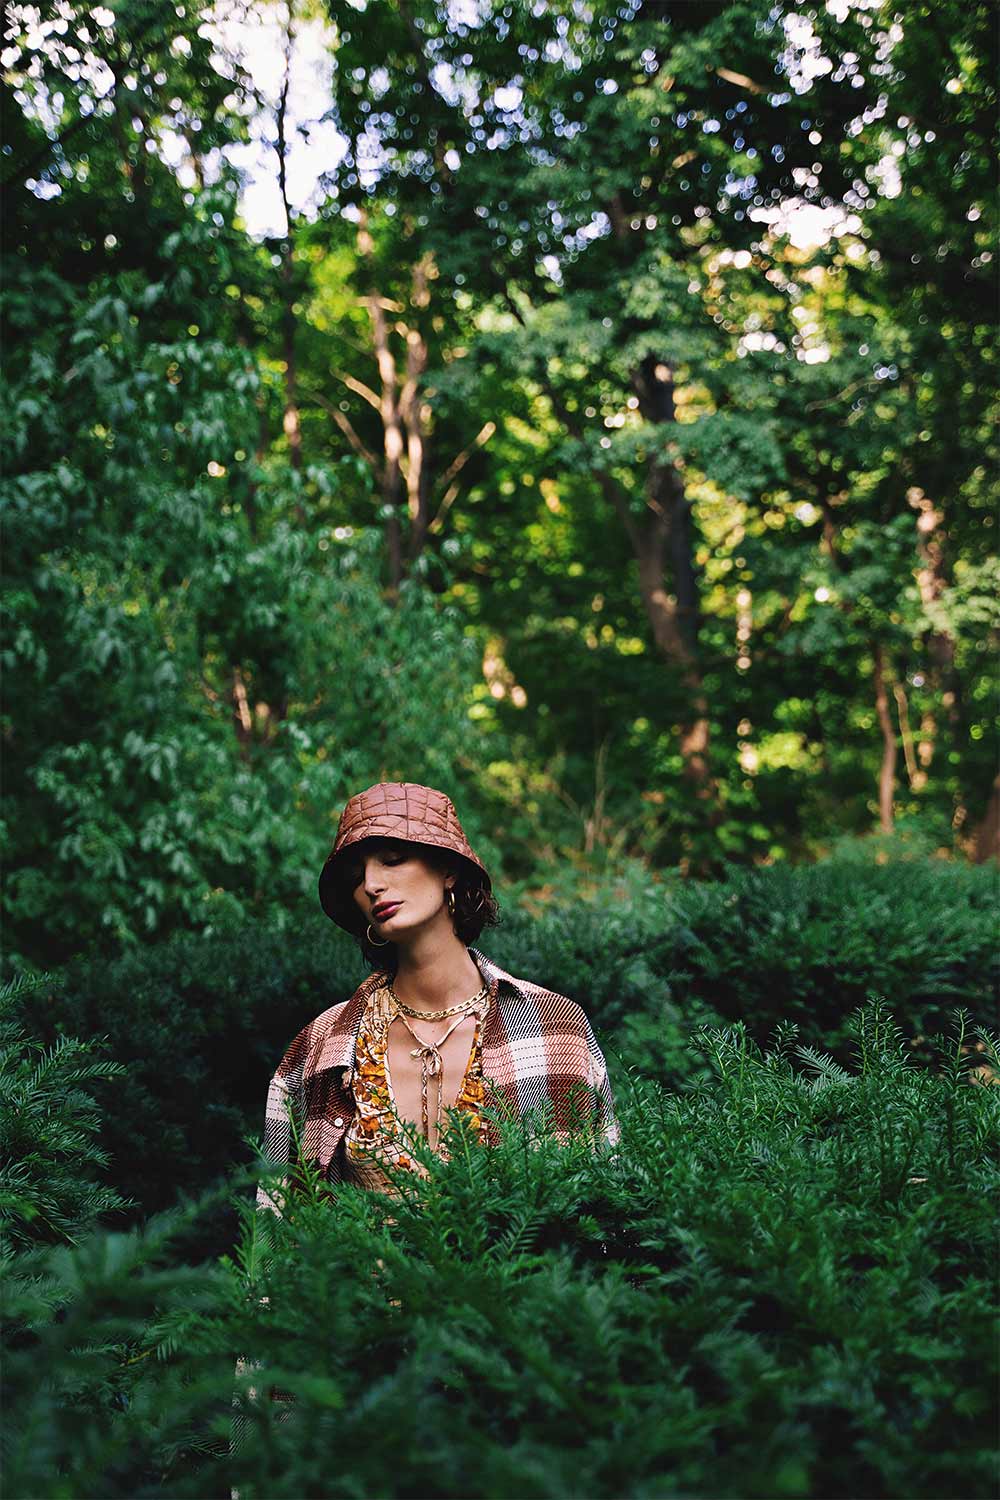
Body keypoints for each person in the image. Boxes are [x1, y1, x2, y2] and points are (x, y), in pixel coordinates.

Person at [258, 780, 619, 1210]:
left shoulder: (554, 1026)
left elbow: (606, 1203)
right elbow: (274, 1222)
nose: (371, 884)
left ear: (448, 869)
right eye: (357, 877)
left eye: (392, 859)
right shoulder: (321, 1044)